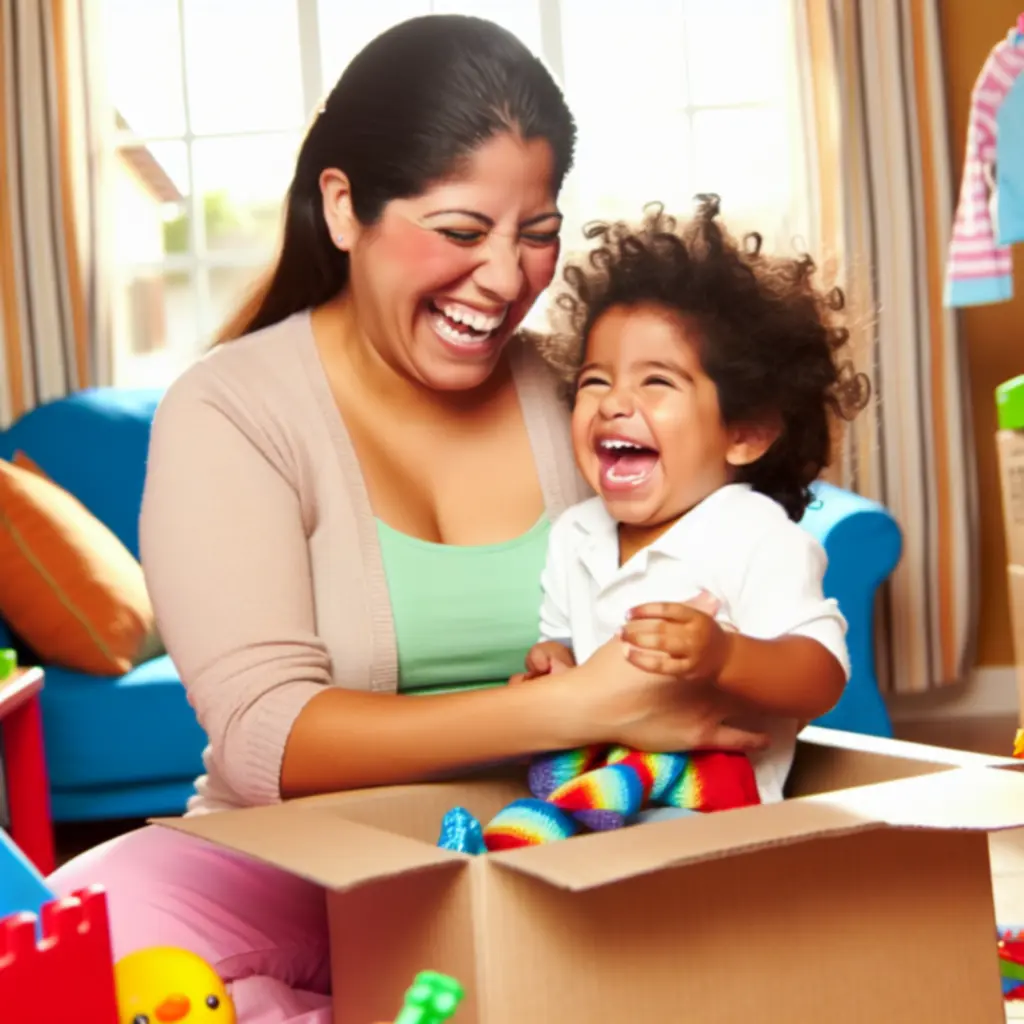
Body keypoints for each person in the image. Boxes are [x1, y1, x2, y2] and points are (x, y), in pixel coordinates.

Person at [46, 17, 767, 1024]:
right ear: (343, 207)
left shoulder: (585, 394)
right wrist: (576, 707)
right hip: (301, 871)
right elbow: (265, 737)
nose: (507, 279)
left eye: (537, 233)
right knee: (98, 931)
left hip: (569, 855)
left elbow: (732, 578)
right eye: (463, 231)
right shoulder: (231, 408)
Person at [479, 197, 871, 844]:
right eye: (595, 382)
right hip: (606, 787)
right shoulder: (577, 534)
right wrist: (553, 666)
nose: (614, 404)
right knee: (537, 826)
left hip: (713, 808)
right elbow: (568, 657)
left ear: (744, 432)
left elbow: (820, 676)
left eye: (656, 382)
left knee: (644, 842)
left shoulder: (754, 533)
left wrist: (725, 655)